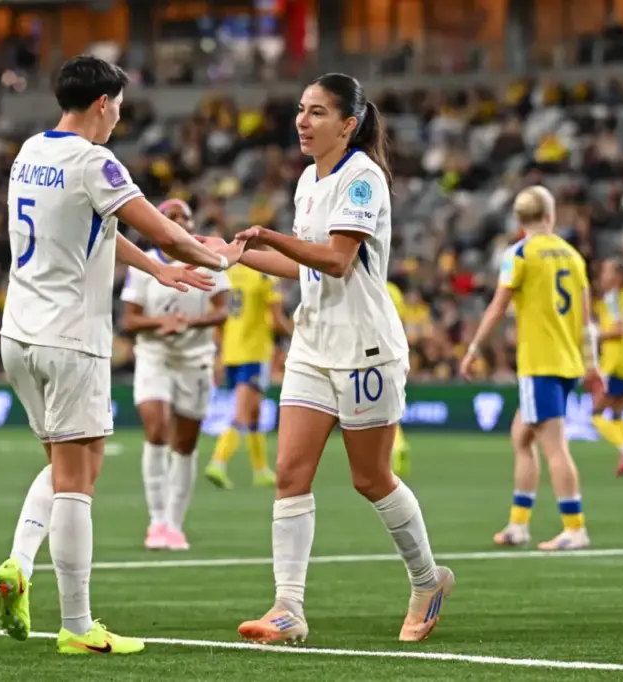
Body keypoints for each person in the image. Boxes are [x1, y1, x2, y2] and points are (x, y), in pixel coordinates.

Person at [0, 55, 246, 656]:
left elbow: (99, 229)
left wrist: (158, 270)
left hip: (18, 335)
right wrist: (221, 258)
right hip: (71, 339)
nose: (118, 120)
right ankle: (78, 626)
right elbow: (165, 227)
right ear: (104, 103)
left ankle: (19, 561)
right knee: (80, 479)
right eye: (119, 108)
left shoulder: (31, 152)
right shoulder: (95, 161)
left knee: (60, 463)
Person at [204, 73, 454, 645]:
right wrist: (237, 257)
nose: (302, 121)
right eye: (299, 110)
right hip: (313, 346)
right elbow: (304, 267)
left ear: (348, 124)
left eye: (317, 112)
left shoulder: (363, 179)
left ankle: (427, 579)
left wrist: (265, 235)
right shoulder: (308, 181)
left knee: (370, 477)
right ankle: (287, 608)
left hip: (364, 348)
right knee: (291, 473)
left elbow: (338, 260)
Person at [460, 185, 604, 551]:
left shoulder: (519, 253)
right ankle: (518, 524)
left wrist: (474, 348)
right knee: (522, 436)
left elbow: (497, 306)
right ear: (550, 216)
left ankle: (575, 527)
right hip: (569, 361)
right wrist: (593, 365)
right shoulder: (572, 255)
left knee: (554, 446)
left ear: (519, 220)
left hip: (540, 363)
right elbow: (587, 320)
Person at [120, 199, 231, 551]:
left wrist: (190, 323)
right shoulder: (144, 264)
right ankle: (156, 521)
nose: (179, 220)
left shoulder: (207, 258)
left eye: (184, 216)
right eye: (171, 216)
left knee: (185, 444)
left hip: (195, 358)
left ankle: (174, 523)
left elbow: (222, 311)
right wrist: (161, 323)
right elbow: (130, 320)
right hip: (155, 355)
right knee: (155, 429)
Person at [204, 249, 291, 490]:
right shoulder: (265, 277)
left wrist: (220, 353)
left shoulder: (229, 274)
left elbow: (219, 317)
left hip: (232, 352)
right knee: (243, 412)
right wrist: (296, 333)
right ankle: (217, 462)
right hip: (254, 352)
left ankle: (260, 470)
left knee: (252, 413)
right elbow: (276, 320)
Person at [590, 258, 623, 476]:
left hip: (615, 364)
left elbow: (619, 330)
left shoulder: (615, 298)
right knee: (619, 414)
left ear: (617, 277)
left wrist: (593, 334)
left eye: (606, 272)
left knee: (597, 415)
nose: (602, 276)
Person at [386, 280, 411, 478]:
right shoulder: (393, 290)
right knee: (391, 404)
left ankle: (394, 445)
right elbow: (400, 325)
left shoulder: (360, 284)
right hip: (393, 352)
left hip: (366, 352)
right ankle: (398, 442)